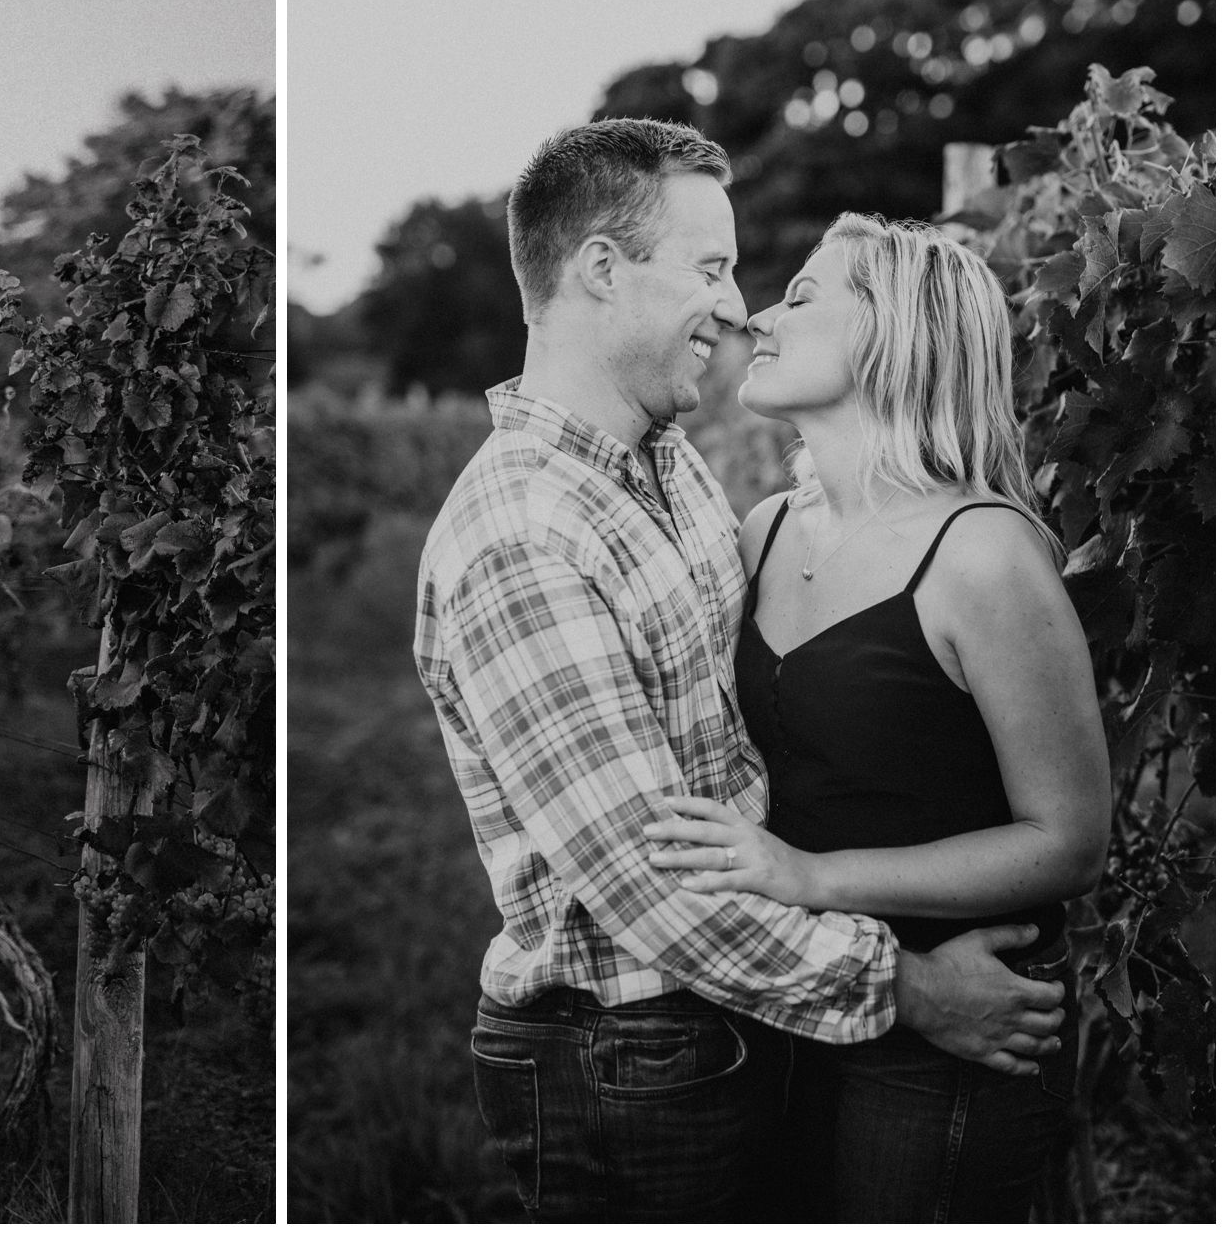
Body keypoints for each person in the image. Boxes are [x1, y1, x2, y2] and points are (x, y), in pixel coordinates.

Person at [412, 120, 1067, 1220]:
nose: (736, 304)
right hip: (628, 1048)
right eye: (709, 268)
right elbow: (642, 879)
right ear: (604, 271)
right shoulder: (523, 530)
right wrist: (906, 988)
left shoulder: (668, 473)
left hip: (747, 1018)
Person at [640, 213, 1109, 1219]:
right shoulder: (761, 531)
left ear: (897, 331)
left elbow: (1068, 842)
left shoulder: (981, 554)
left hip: (957, 1025)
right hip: (798, 999)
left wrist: (812, 878)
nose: (758, 318)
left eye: (801, 296)